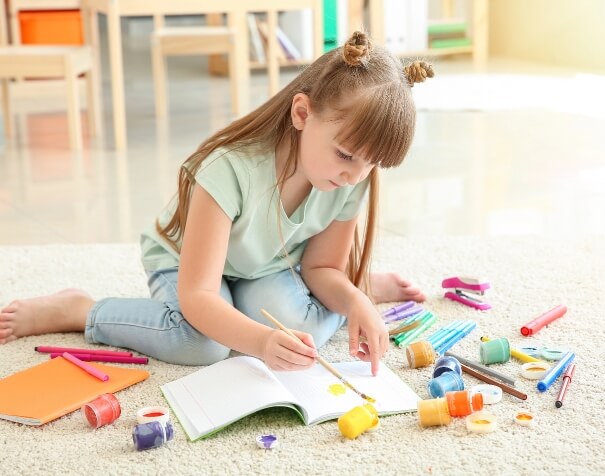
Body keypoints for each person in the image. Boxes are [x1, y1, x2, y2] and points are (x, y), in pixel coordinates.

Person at [0, 32, 433, 376]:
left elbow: (321, 269)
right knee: (203, 343)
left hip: (266, 264)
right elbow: (199, 295)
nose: (354, 176)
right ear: (302, 114)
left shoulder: (351, 178)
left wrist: (355, 301)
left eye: (372, 164)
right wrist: (262, 343)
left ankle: (362, 286)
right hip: (186, 266)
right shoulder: (228, 170)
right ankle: (81, 309)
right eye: (345, 155)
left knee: (299, 329)